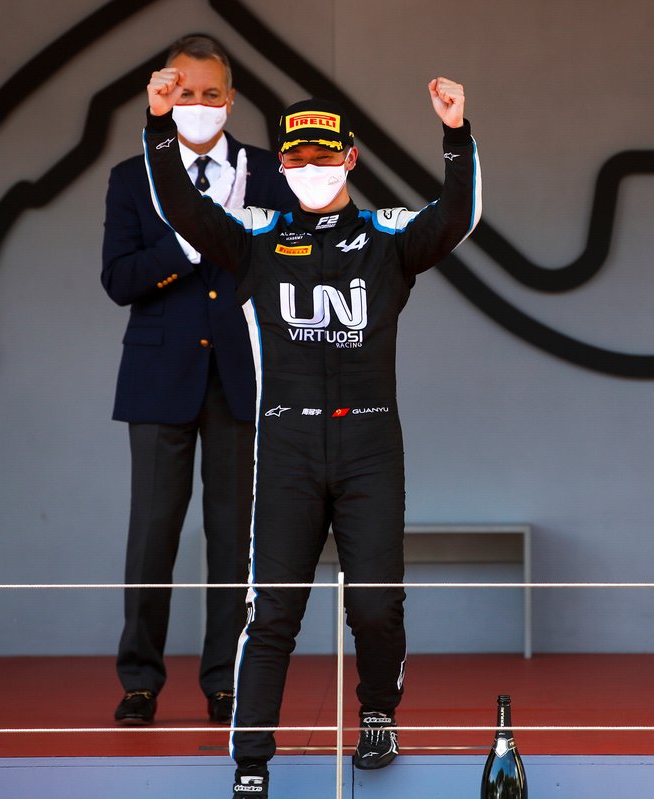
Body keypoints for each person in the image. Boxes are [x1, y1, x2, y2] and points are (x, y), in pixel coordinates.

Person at [143, 63, 481, 797]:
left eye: (326, 155)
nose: (310, 168)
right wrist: (160, 129)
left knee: (374, 604)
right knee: (274, 610)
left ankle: (379, 714)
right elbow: (182, 210)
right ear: (281, 163)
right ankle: (253, 759)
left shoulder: (387, 236)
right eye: (294, 157)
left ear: (351, 157)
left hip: (370, 442)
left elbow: (455, 218)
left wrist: (456, 135)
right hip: (288, 443)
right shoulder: (257, 237)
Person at [102, 34, 297, 727]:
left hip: (243, 380)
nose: (199, 105)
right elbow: (119, 279)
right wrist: (186, 243)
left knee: (233, 537)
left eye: (212, 94)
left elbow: (293, 269)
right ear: (164, 96)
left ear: (231, 99)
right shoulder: (134, 178)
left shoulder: (269, 172)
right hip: (159, 379)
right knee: (152, 534)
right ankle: (140, 681)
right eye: (185, 93)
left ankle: (225, 680)